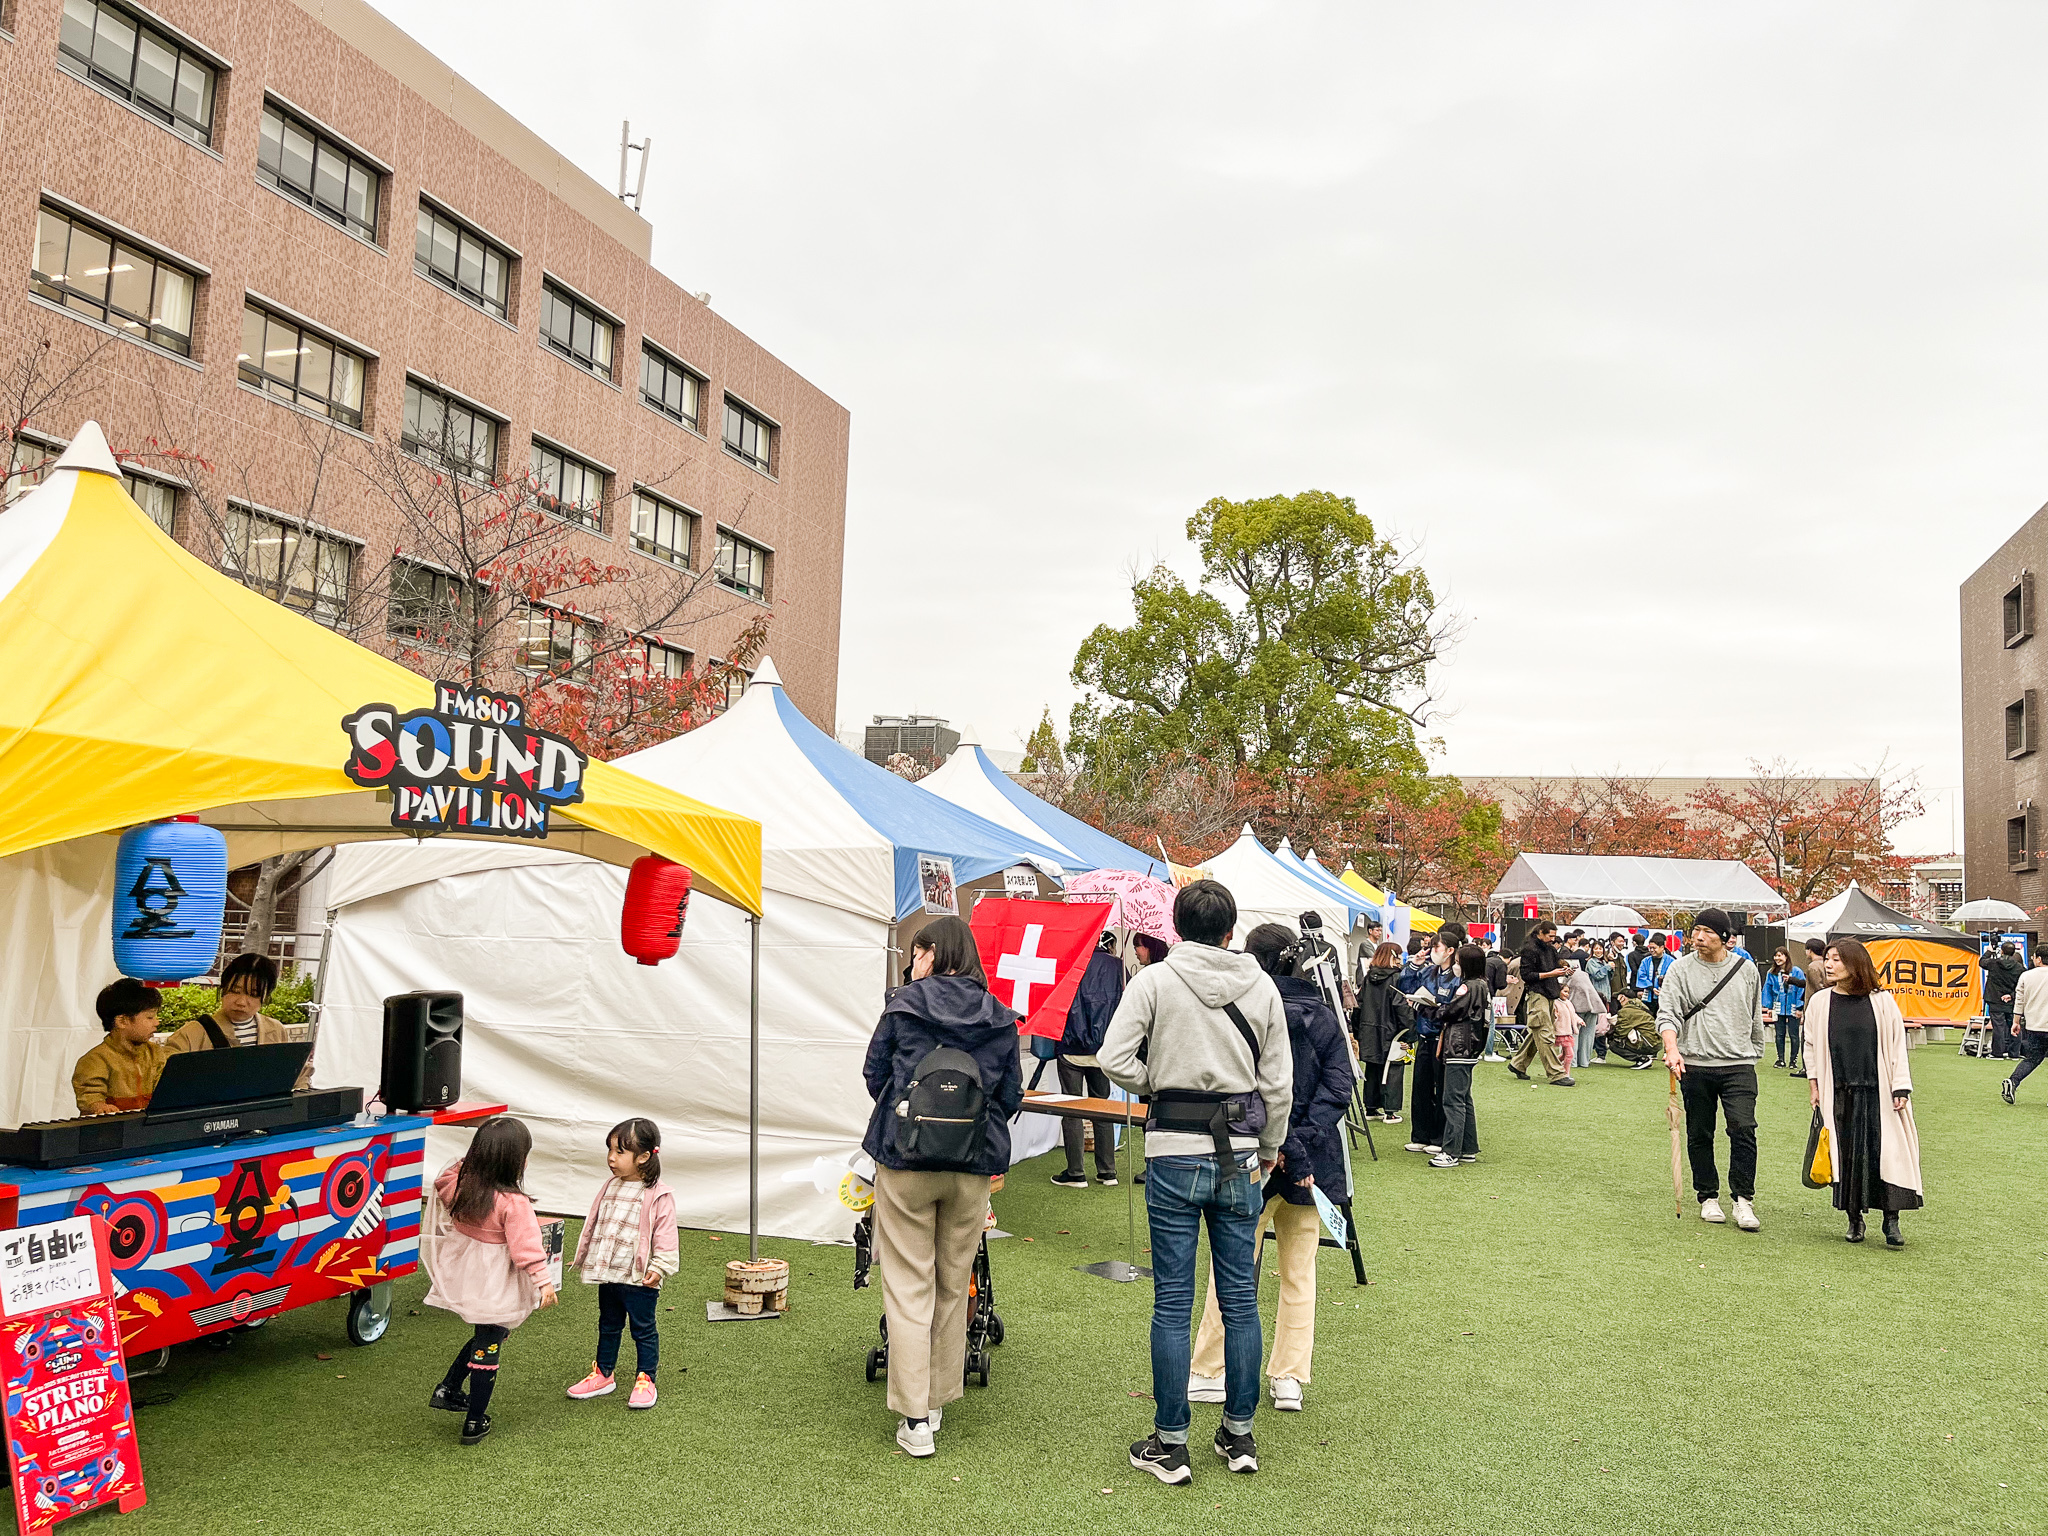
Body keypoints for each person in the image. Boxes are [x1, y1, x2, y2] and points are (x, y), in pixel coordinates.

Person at [1099, 880, 1291, 1486]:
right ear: (1231, 930)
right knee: (1240, 1301)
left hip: (1173, 1155)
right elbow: (1277, 1085)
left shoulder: (1153, 981)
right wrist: (1267, 1150)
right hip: (1239, 1157)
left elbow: (1112, 1058)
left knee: (1173, 1304)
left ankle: (1170, 1439)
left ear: (1177, 929)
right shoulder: (1260, 986)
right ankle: (1239, 1434)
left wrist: (1159, 1083)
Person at [860, 916, 1023, 1459]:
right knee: (956, 1285)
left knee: (909, 1286)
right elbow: (1010, 1093)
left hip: (904, 1160)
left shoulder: (903, 1006)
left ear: (930, 952)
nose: (912, 960)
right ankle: (934, 1402)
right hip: (971, 1164)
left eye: (916, 951)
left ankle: (914, 1418)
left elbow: (873, 1074)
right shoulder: (998, 1016)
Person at [1189, 923, 1351, 1414]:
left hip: (1249, 1154)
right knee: (1299, 1271)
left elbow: (1235, 1084)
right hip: (1310, 1161)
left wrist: (1277, 1141)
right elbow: (1338, 1088)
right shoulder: (1322, 1017)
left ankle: (1209, 1369)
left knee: (1230, 1267)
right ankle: (1288, 1377)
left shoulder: (1244, 1009)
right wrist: (1300, 1140)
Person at [424, 1116, 558, 1447]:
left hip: (465, 1273)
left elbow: (445, 1177)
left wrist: (472, 1161)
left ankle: (449, 1388)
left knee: (487, 1333)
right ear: (517, 1161)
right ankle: (474, 1419)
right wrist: (544, 1283)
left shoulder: (462, 1187)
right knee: (490, 1342)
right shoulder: (514, 1203)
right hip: (495, 1281)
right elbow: (528, 1250)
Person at [1803, 939, 1924, 1245]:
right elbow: (1811, 1046)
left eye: (1836, 960)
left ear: (1855, 964)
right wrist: (1814, 1084)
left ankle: (1891, 1221)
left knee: (1886, 1154)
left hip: (1878, 1091)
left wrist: (1900, 1086)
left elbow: (1898, 1045)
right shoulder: (1820, 1002)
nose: (1828, 965)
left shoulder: (1882, 1001)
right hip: (1838, 1091)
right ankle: (1854, 1219)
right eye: (1827, 959)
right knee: (1845, 1156)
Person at [1658, 909, 1765, 1231]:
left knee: (1743, 1129)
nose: (1699, 937)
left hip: (1739, 1064)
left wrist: (1753, 1051)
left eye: (1707, 931)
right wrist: (1672, 1048)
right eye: (1696, 930)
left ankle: (1743, 1200)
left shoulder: (1746, 970)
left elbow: (1754, 1014)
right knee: (1700, 1133)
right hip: (1695, 1063)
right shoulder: (1679, 969)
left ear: (1725, 937)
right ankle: (1708, 1197)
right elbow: (1667, 1014)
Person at [565, 1117, 678, 1411]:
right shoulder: (610, 1187)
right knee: (608, 1324)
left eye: (620, 1152)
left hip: (639, 1278)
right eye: (610, 1150)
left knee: (643, 1328)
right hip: (609, 1274)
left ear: (643, 1157)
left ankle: (646, 1378)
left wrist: (660, 1266)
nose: (611, 1158)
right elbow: (598, 1225)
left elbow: (666, 1234)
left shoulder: (658, 1194)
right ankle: (604, 1374)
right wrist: (587, 1253)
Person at [164, 952, 313, 1088]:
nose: (241, 1002)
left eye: (253, 994)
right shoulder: (192, 1034)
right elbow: (165, 1077)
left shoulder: (276, 1030)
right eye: (235, 991)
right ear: (223, 989)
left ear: (266, 998)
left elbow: (296, 1075)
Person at [1050, 933, 1126, 1189]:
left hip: (1070, 1045)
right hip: (1104, 1049)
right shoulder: (1117, 966)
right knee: (1101, 1107)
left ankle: (1076, 1173)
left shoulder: (1069, 962)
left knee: (1071, 1109)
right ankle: (1108, 1171)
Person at [1399, 929, 1464, 1149]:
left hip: (1443, 1037)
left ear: (1450, 951)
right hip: (1424, 1035)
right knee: (1420, 1087)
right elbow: (1406, 987)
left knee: (1442, 1088)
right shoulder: (1428, 972)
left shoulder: (1457, 977)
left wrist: (1431, 1007)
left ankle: (1438, 1137)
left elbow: (1453, 1007)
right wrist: (1414, 965)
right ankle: (1420, 1135)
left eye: (1436, 947)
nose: (1432, 951)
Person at [1430, 943, 1491, 1168]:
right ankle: (1467, 1147)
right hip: (1471, 1047)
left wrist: (1427, 1009)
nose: (1455, 965)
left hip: (1459, 1046)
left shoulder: (1468, 987)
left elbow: (1451, 1012)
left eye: (1457, 961)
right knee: (1464, 1098)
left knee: (1453, 1099)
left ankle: (1451, 1151)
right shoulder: (1482, 985)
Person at [73, 977, 167, 1115]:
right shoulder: (95, 1060)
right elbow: (89, 1095)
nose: (157, 1022)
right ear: (122, 1021)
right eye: (150, 1017)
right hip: (112, 1131)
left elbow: (166, 1090)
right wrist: (97, 1106)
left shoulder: (155, 1053)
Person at [1509, 921, 1574, 1086]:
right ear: (1540, 933)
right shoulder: (1529, 950)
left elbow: (1556, 962)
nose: (1553, 939)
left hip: (1550, 993)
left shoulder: (1549, 949)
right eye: (1550, 936)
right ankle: (1556, 1074)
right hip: (1537, 994)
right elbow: (1527, 975)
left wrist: (1564, 967)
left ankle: (1518, 1063)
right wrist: (1550, 974)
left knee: (1538, 1031)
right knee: (1545, 1033)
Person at [1353, 940, 1407, 1124]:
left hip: (1368, 1028)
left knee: (1373, 1068)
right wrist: (1408, 1033)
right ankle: (1390, 1111)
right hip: (1392, 1030)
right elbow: (1401, 1007)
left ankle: (1371, 1107)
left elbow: (1357, 1005)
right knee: (1393, 1069)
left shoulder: (1368, 977)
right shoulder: (1396, 978)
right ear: (1393, 956)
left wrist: (1358, 1030)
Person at [2001, 950, 2048, 1103]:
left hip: (2034, 1026)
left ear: (2039, 959)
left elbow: (2019, 1001)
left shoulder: (2026, 976)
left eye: (2034, 957)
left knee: (2032, 1059)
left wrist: (2016, 1021)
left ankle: (2013, 1081)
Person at [1762, 949, 1807, 1068]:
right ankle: (1780, 1059)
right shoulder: (1771, 972)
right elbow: (1768, 989)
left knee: (1794, 1034)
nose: (1777, 958)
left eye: (1780, 956)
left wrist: (1799, 1006)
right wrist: (1769, 1006)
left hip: (1792, 1005)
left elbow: (1802, 988)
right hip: (1778, 1006)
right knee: (1779, 1034)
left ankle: (1793, 1061)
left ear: (1786, 957)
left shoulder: (1796, 971)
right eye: (1775, 956)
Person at [1981, 942, 2024, 1061]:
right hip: (2011, 1001)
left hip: (1994, 999)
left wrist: (1989, 951)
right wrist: (2011, 995)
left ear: (2002, 951)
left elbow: (1981, 962)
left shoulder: (1993, 963)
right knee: (2014, 1025)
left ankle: (1997, 1053)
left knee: (1998, 1026)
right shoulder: (2019, 968)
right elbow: (2022, 986)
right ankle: (2014, 1053)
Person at [1795, 937, 1829, 1077]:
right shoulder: (1826, 964)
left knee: (1807, 1037)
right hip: (1824, 1006)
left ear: (1810, 950)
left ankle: (1807, 1068)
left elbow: (1817, 987)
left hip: (1814, 1007)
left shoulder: (1813, 966)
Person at [1565, 959, 1607, 1070]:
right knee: (1588, 1035)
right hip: (1593, 1004)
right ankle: (1584, 1061)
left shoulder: (1564, 975)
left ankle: (1572, 1062)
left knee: (1573, 1033)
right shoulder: (1582, 973)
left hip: (1576, 1005)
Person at [1635, 935, 1673, 1015]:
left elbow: (1673, 978)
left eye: (1654, 948)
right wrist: (1652, 988)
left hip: (1665, 996)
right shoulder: (1645, 961)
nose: (1652, 950)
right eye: (1650, 948)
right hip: (1648, 996)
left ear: (1662, 947)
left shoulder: (1671, 961)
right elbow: (1641, 976)